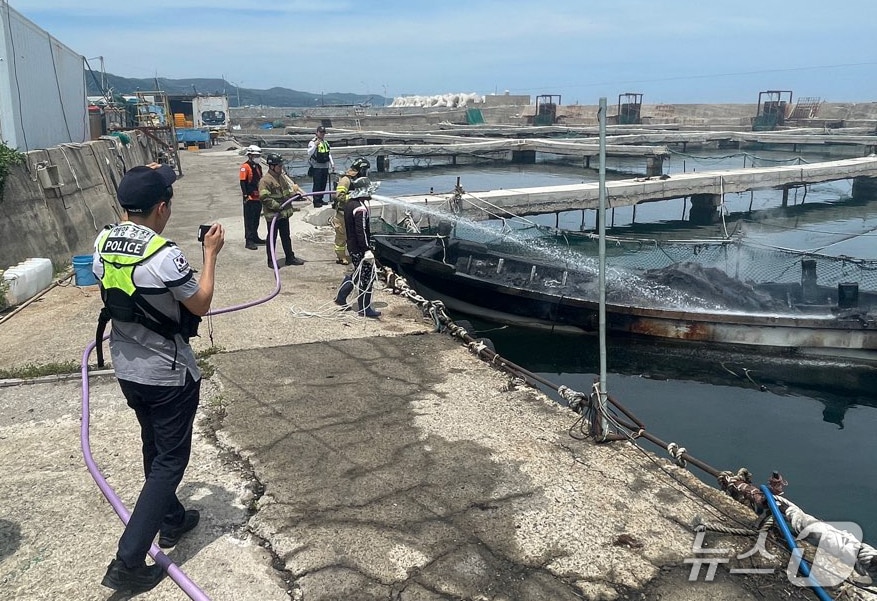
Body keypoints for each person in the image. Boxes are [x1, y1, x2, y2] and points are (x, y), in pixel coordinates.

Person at [92, 163, 225, 594]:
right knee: (170, 461)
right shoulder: (165, 255)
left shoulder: (102, 243)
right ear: (162, 208)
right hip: (167, 374)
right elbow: (200, 303)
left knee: (154, 446)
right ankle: (128, 560)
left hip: (127, 368)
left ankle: (171, 520)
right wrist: (209, 256)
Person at [334, 160, 380, 318]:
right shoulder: (360, 209)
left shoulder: (350, 204)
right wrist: (367, 250)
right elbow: (361, 231)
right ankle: (364, 308)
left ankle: (341, 297)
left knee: (356, 272)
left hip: (352, 246)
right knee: (367, 277)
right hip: (360, 248)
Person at [259, 152, 305, 267]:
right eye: (279, 166)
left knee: (286, 236)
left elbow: (286, 193)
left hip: (283, 214)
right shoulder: (265, 181)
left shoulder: (281, 178)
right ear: (272, 166)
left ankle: (290, 258)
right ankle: (271, 261)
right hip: (273, 215)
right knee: (272, 238)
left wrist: (294, 195)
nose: (281, 168)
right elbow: (264, 198)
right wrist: (277, 206)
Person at [331, 157, 371, 265]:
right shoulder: (346, 180)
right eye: (365, 170)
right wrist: (354, 197)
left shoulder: (358, 180)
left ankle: (354, 252)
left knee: (352, 234)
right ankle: (340, 256)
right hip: (342, 212)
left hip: (352, 212)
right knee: (341, 235)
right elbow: (339, 196)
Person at [240, 145, 266, 250]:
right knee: (249, 220)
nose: (258, 157)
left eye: (259, 155)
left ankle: (255, 237)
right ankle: (249, 240)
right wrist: (245, 196)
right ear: (250, 155)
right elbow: (243, 182)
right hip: (249, 198)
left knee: (256, 219)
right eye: (256, 155)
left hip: (257, 198)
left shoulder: (258, 167)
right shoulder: (245, 167)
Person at [306, 125, 335, 208]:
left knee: (323, 184)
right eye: (321, 132)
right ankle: (316, 201)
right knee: (317, 184)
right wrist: (315, 145)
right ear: (317, 132)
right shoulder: (312, 142)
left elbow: (328, 153)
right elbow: (309, 153)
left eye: (323, 132)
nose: (322, 134)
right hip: (316, 167)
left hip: (325, 166)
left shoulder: (325, 142)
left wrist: (332, 163)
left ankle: (321, 199)